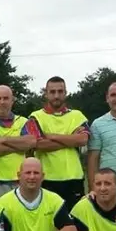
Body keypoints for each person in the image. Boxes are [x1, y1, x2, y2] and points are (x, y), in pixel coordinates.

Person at [27, 76, 89, 212]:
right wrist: (71, 139)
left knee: (77, 222)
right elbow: (37, 144)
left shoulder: (77, 115)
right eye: (52, 92)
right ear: (46, 93)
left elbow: (83, 140)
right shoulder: (35, 116)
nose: (56, 95)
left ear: (65, 93)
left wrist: (51, 136)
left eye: (60, 92)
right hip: (46, 179)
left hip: (74, 178)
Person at [0, 85, 37, 199]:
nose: (2, 102)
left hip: (21, 181)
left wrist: (2, 139)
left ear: (12, 100)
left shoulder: (24, 121)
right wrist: (19, 146)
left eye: (6, 98)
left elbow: (32, 142)